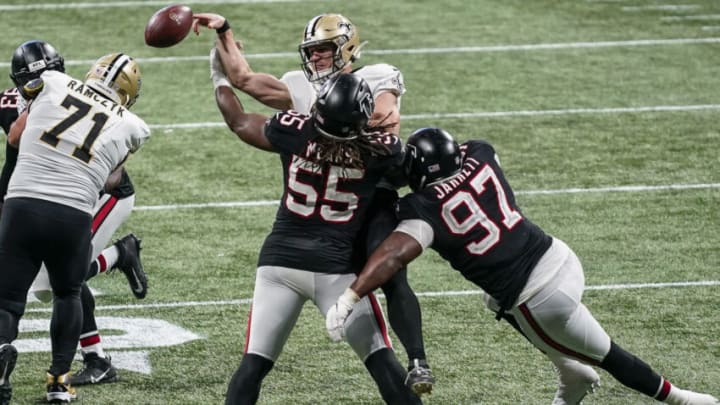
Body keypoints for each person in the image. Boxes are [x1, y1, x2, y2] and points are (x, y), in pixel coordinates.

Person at [326, 127, 720, 405]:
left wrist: (351, 294)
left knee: (609, 356)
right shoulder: (480, 152)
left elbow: (394, 255)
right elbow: (457, 160)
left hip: (539, 299)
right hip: (561, 258)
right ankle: (572, 374)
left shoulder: (420, 210)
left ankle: (679, 398)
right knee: (492, 300)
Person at [192, 11, 434, 394]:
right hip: (338, 261)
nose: (317, 57)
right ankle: (417, 361)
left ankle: (418, 358)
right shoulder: (380, 150)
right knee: (383, 356)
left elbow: (240, 121)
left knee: (253, 366)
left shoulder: (295, 129)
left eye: (325, 49)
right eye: (313, 50)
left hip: (281, 258)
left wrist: (217, 74)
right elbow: (397, 150)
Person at [0, 51, 149, 404]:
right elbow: (111, 175)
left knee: (6, 300)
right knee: (67, 292)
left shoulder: (50, 81)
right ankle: (58, 383)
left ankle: (2, 353)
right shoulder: (134, 125)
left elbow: (17, 136)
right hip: (72, 212)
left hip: (21, 203)